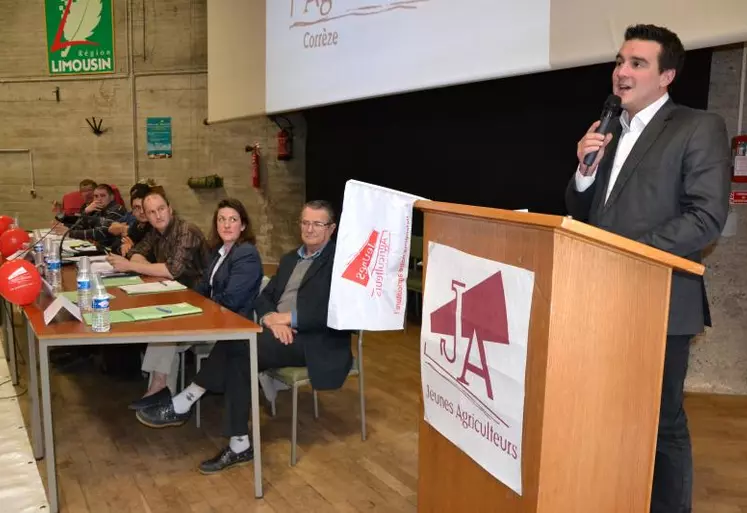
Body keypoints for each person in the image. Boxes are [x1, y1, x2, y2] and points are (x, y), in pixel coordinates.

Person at [565, 24, 731, 513]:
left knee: (661, 422)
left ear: (667, 77)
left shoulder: (697, 126)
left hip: (659, 299)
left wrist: (624, 251)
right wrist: (584, 170)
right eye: (620, 61)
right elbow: (581, 209)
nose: (622, 72)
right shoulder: (609, 129)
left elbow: (705, 218)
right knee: (610, 413)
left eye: (637, 63)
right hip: (602, 296)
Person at [134, 198, 264, 474]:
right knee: (168, 325)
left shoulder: (246, 254)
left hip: (237, 326)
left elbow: (231, 299)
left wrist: (197, 307)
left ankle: (184, 401)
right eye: (221, 219)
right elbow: (203, 288)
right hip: (222, 325)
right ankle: (189, 406)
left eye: (232, 219)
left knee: (234, 348)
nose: (226, 224)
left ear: (243, 225)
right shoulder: (220, 252)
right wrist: (186, 305)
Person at [106, 190, 209, 405]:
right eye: (151, 212)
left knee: (165, 325)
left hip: (204, 302)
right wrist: (141, 263)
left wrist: (130, 265)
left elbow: (173, 270)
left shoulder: (185, 230)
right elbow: (138, 250)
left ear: (170, 209)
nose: (158, 215)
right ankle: (159, 389)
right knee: (153, 317)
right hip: (176, 295)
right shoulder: (156, 232)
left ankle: (159, 388)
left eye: (161, 209)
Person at [54, 184, 127, 248]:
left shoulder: (117, 209)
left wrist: (70, 233)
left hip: (110, 249)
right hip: (98, 246)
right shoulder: (98, 209)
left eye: (103, 196)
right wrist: (63, 228)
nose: (99, 199)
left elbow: (101, 233)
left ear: (112, 197)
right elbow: (82, 226)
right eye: (96, 196)